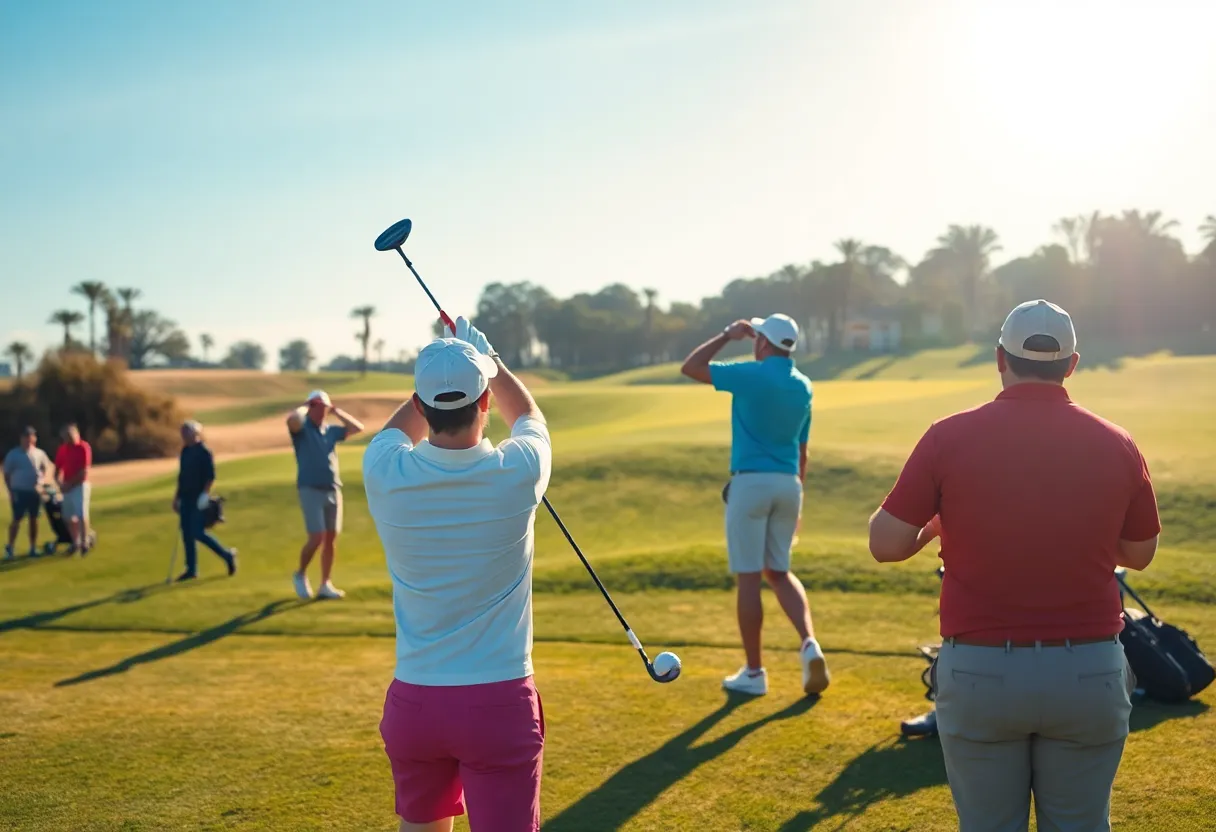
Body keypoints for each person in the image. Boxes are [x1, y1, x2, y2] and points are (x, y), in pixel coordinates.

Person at [868, 299, 1160, 832]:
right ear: (1071, 366)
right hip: (1088, 669)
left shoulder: (947, 436)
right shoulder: (1117, 442)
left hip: (981, 671)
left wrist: (937, 525)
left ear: (999, 357)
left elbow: (885, 543)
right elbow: (1139, 553)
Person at [363, 318, 551, 832]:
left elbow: (400, 429)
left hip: (416, 705)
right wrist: (489, 362)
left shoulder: (383, 470)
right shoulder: (521, 470)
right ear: (485, 401)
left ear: (422, 406)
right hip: (497, 703)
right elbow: (529, 416)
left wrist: (442, 373)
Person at [680, 312, 829, 698]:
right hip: (789, 486)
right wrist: (799, 502)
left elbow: (691, 367)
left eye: (756, 338)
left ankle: (754, 672)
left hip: (751, 484)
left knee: (749, 577)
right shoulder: (803, 386)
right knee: (778, 572)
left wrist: (727, 335)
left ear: (763, 343)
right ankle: (810, 643)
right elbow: (803, 451)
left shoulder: (751, 374)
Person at [286, 390, 363, 600]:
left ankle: (325, 584)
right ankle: (300, 574)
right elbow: (292, 420)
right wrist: (306, 404)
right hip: (310, 488)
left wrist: (336, 411)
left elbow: (357, 428)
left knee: (330, 538)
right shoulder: (301, 430)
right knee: (317, 537)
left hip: (332, 487)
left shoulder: (330, 431)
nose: (320, 410)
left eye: (322, 407)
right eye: (316, 406)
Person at [172, 421, 237, 581]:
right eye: (183, 434)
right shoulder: (185, 451)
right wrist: (176, 497)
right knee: (186, 534)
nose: (184, 437)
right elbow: (182, 476)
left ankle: (227, 555)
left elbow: (210, 476)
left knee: (197, 533)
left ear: (196, 434)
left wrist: (204, 495)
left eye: (187, 434)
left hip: (199, 498)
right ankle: (191, 569)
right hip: (185, 497)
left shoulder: (204, 451)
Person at [4, 426, 53, 559]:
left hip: (35, 491)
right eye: (26, 437)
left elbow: (46, 468)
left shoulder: (39, 453)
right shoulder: (13, 454)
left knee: (33, 519)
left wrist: (42, 482)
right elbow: (7, 474)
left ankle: (32, 547)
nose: (28, 440)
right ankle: (10, 547)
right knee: (17, 519)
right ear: (21, 438)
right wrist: (11, 491)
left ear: (34, 438)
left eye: (31, 437)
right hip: (19, 491)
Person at [54, 423, 93, 556]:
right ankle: (75, 542)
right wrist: (60, 484)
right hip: (67, 487)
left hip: (80, 485)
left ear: (76, 434)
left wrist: (69, 484)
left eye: (70, 436)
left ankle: (84, 542)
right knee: (67, 516)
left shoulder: (83, 447)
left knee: (81, 513)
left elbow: (84, 471)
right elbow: (57, 469)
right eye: (66, 437)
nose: (68, 439)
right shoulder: (63, 449)